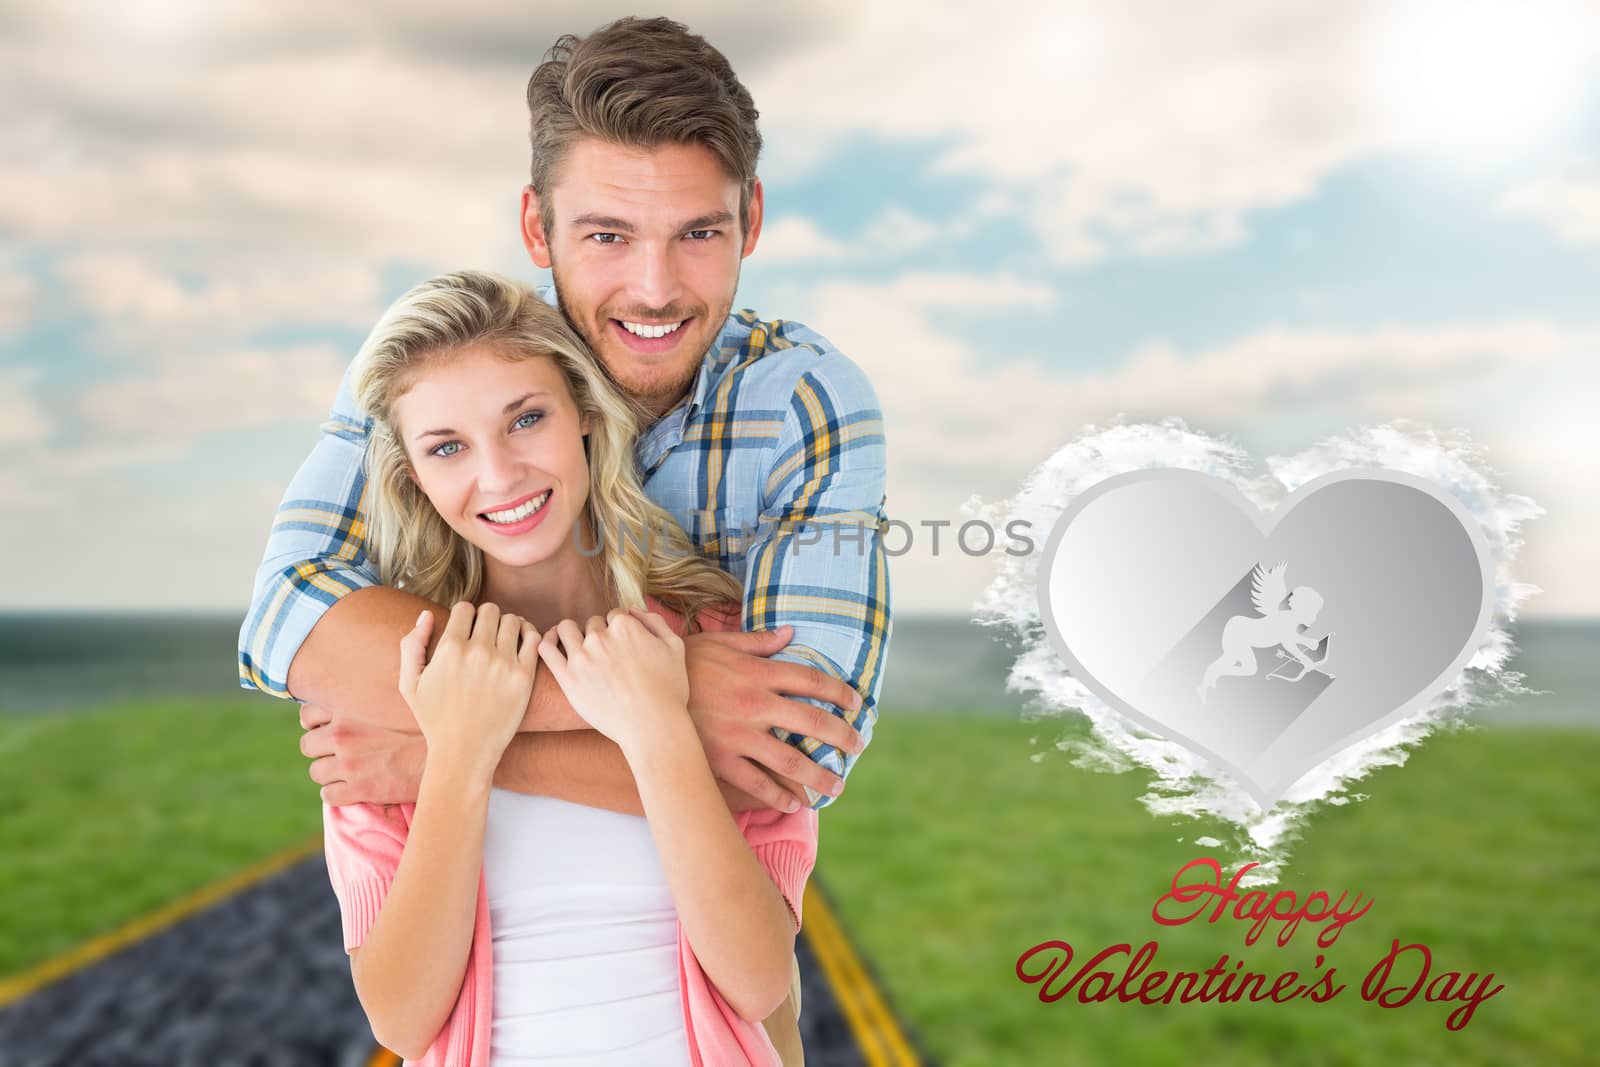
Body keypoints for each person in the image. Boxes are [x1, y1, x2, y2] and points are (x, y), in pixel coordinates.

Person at [237, 14, 891, 817]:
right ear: (536, 228)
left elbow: (793, 758)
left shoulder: (805, 403)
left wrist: (443, 748)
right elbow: (290, 615)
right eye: (608, 235)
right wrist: (661, 691)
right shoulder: (439, 363)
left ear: (750, 219)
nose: (655, 288)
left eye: (698, 233)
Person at [324, 268, 817, 1065]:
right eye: (447, 446)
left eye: (525, 419)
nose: (499, 474)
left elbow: (761, 981)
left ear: (585, 410)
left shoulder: (716, 642)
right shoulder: (395, 681)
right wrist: (454, 752)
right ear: (415, 474)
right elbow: (402, 1017)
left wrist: (658, 724)